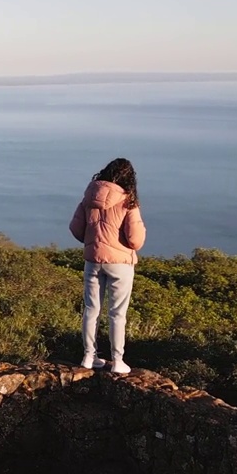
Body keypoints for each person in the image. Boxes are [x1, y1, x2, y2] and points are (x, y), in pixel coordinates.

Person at [69, 157, 146, 374]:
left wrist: (93, 241)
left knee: (91, 310)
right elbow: (136, 240)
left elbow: (76, 229)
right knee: (117, 314)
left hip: (92, 262)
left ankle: (87, 357)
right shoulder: (128, 202)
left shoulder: (87, 198)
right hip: (120, 264)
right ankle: (118, 361)